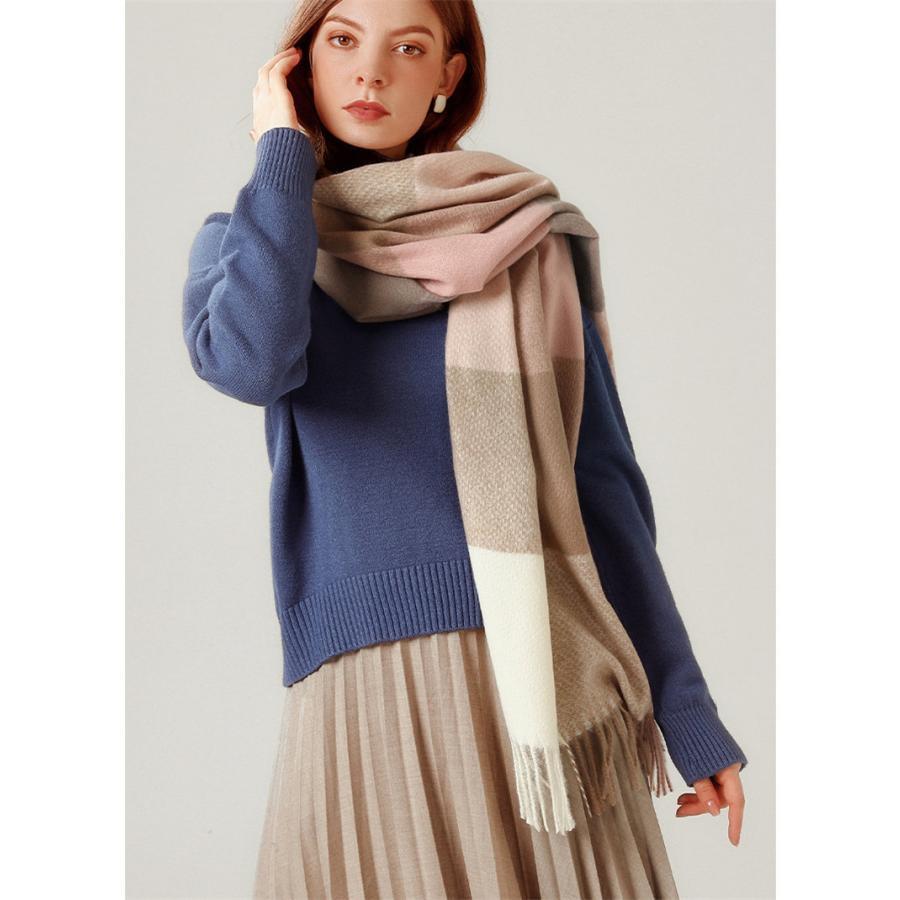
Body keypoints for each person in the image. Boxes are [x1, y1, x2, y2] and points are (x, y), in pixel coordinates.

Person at [182, 1, 748, 897]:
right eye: (343, 40)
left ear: (448, 76)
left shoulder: (521, 240)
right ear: (297, 65)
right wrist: (280, 155)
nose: (371, 71)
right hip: (365, 684)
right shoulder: (254, 244)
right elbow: (248, 362)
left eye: (408, 48)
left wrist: (688, 713)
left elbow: (600, 487)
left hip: (541, 667)